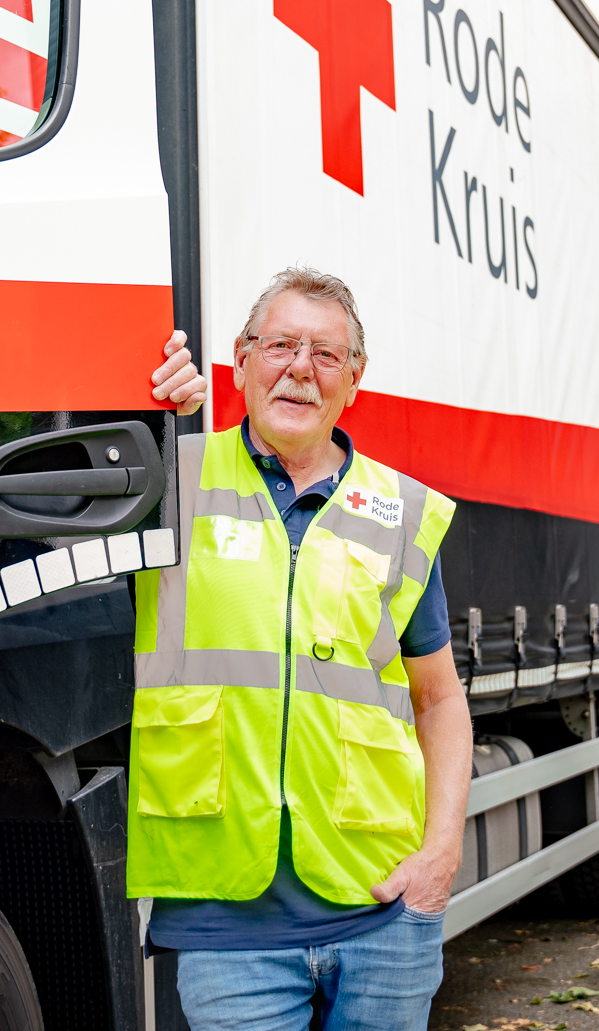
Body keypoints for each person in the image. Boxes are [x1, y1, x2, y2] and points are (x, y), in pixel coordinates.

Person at [137, 266, 472, 1031]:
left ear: (354, 380)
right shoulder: (170, 480)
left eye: (326, 354)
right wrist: (143, 407)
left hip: (382, 913)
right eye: (281, 344)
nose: (299, 368)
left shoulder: (401, 515)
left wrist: (441, 856)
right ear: (241, 360)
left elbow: (441, 698)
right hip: (227, 930)